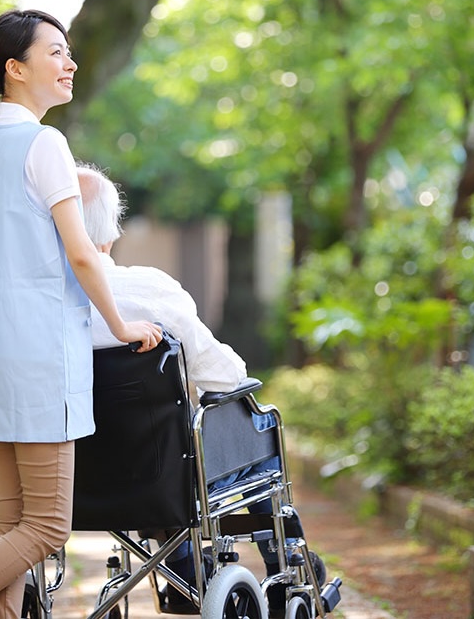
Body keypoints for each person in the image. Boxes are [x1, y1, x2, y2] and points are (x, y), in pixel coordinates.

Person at [0, 10, 162, 619]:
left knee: (10, 523)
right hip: (38, 357)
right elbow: (82, 252)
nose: (70, 63)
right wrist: (123, 325)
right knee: (49, 526)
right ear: (15, 68)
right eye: (56, 52)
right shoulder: (43, 143)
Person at [76, 165, 324, 617]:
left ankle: (187, 568)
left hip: (75, 480)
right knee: (256, 420)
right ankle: (282, 561)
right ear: (109, 231)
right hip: (159, 470)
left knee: (157, 455)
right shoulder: (147, 290)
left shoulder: (36, 304)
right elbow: (224, 376)